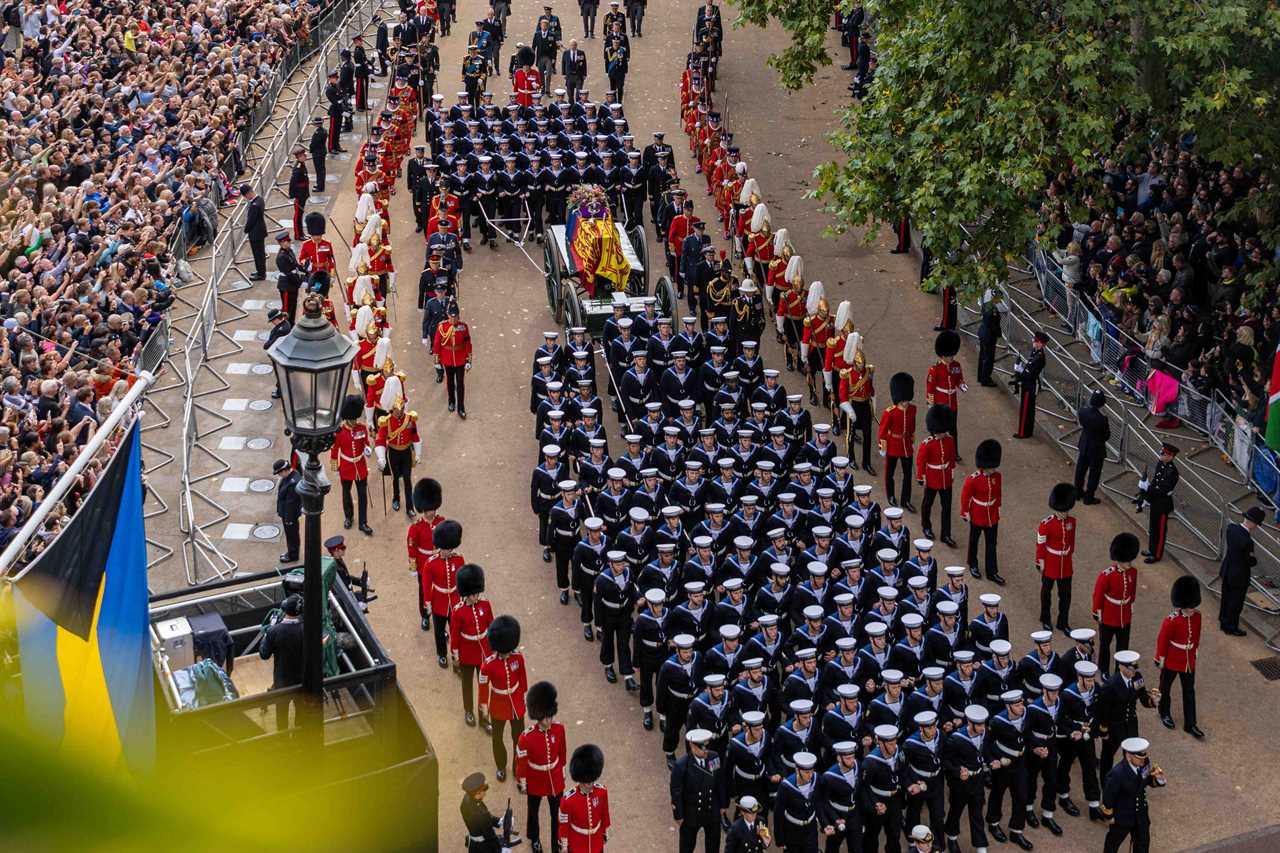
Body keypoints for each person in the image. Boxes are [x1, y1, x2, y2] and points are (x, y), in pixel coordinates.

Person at [516, 681, 567, 853]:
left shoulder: (559, 730)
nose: (549, 720)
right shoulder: (526, 737)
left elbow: (562, 753)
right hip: (535, 778)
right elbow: (521, 762)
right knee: (533, 811)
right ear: (538, 716)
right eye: (545, 717)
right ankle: (534, 837)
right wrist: (522, 781)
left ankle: (556, 845)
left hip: (554, 778)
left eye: (550, 716)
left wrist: (562, 771)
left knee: (557, 816)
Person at [1154, 576, 1203, 739]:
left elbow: (1196, 636)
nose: (1192, 610)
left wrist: (1194, 651)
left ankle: (1191, 724)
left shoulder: (1197, 617)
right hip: (1172, 659)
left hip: (1188, 660)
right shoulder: (1171, 621)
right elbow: (1163, 640)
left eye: (1193, 607)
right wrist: (1160, 658)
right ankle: (1164, 713)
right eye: (1189, 607)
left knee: (1189, 691)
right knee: (1165, 688)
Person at [1095, 650, 1157, 776]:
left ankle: (1132, 783)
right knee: (1108, 756)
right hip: (1114, 725)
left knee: (1134, 754)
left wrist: (1152, 701)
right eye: (1130, 669)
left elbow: (1143, 697)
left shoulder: (1137, 677)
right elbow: (1104, 710)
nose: (1133, 672)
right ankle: (1106, 782)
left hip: (1131, 723)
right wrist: (1104, 730)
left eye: (1134, 669)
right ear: (1121, 667)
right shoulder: (1111, 685)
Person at [480, 615, 528, 781]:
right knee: (497, 738)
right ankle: (501, 765)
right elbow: (483, 686)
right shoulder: (488, 664)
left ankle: (517, 766)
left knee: (519, 738)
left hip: (515, 702)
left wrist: (523, 698)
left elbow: (522, 680)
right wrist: (484, 705)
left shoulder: (517, 658)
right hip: (498, 704)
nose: (508, 654)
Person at [1100, 737, 1165, 853]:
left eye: (1144, 756)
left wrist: (1158, 779)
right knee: (1112, 844)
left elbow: (1146, 780)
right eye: (1139, 757)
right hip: (1122, 816)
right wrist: (1109, 816)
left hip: (1141, 814)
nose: (1143, 760)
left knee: (1142, 844)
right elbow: (1108, 796)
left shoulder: (1144, 763)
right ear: (1128, 755)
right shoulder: (1117, 773)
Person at [671, 728, 728, 853]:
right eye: (702, 748)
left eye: (706, 747)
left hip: (711, 809)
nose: (705, 751)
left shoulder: (714, 757)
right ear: (692, 745)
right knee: (687, 847)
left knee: (713, 846)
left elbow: (720, 780)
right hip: (691, 812)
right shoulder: (681, 765)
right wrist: (678, 815)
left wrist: (723, 803)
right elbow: (676, 793)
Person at [451, 563, 494, 728]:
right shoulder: (458, 611)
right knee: (467, 684)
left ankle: (484, 715)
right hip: (467, 653)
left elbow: (491, 626)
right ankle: (468, 711)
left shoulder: (485, 605)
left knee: (483, 685)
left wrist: (495, 649)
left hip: (484, 651)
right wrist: (455, 655)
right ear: (466, 593)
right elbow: (455, 636)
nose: (476, 596)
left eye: (477, 593)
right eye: (472, 594)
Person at [1092, 533, 1139, 674]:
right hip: (1108, 615)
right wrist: (1097, 611)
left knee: (1123, 647)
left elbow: (1132, 591)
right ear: (1119, 560)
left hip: (1124, 615)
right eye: (1127, 561)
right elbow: (1098, 594)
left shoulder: (1133, 572)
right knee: (1105, 645)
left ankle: (1119, 672)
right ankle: (1104, 670)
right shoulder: (1107, 575)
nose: (1129, 564)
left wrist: (1131, 604)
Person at [960, 438, 1005, 584]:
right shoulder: (973, 479)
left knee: (992, 543)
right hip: (977, 513)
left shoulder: (997, 477)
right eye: (991, 467)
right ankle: (972, 563)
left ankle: (992, 571)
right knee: (974, 540)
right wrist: (965, 512)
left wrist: (998, 508)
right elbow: (965, 497)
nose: (993, 469)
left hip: (991, 514)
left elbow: (998, 494)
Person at [259, 593, 305, 732]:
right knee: (301, 714)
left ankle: (283, 740)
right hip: (302, 680)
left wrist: (265, 636)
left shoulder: (274, 631)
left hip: (282, 681)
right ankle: (299, 739)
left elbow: (264, 654)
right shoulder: (307, 630)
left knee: (282, 715)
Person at [1036, 483, 1077, 633]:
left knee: (1065, 595)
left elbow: (1071, 541)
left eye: (1065, 511)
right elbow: (1040, 544)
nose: (1064, 514)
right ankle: (1045, 617)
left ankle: (1063, 621)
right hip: (1050, 562)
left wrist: (1069, 552)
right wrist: (1040, 561)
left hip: (1065, 564)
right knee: (1047, 592)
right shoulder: (1046, 524)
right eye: (1061, 511)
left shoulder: (1072, 522)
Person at [330, 395, 373, 535]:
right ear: (348, 417)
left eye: (355, 418)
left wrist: (367, 448)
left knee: (362, 496)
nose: (355, 421)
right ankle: (348, 517)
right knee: (346, 493)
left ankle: (363, 522)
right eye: (353, 419)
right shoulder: (340, 432)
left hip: (360, 466)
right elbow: (335, 449)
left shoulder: (362, 428)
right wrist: (335, 466)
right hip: (346, 466)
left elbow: (366, 442)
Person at [916, 404, 956, 547]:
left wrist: (951, 471)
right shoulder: (927, 444)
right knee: (928, 504)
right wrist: (921, 477)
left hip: (945, 478)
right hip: (932, 478)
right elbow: (921, 462)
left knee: (947, 507)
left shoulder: (949, 440)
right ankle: (926, 526)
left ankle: (946, 534)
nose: (943, 434)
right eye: (941, 432)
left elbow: (951, 458)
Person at [558, 744, 611, 853]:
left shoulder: (602, 792)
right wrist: (564, 844)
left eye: (591, 778)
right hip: (577, 845)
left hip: (596, 843)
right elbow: (564, 825)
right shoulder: (568, 800)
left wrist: (605, 832)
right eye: (586, 779)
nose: (589, 782)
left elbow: (604, 814)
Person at [1219, 506, 1262, 635]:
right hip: (1239, 576)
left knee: (1226, 598)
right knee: (1235, 603)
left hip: (1227, 570)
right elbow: (1250, 561)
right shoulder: (1247, 541)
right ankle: (1231, 627)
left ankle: (1223, 621)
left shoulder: (1231, 528)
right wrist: (1254, 559)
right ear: (1254, 524)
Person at [878, 371, 917, 511]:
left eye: (907, 400)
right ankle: (891, 496)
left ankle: (905, 500)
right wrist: (883, 447)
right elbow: (882, 431)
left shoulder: (913, 409)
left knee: (908, 475)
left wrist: (912, 439)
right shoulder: (890, 412)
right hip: (893, 445)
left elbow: (912, 425)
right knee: (890, 473)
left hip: (906, 445)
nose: (906, 403)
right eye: (903, 400)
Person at [1139, 443, 1179, 563]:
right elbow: (1156, 481)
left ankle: (1157, 555)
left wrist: (1147, 489)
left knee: (1160, 531)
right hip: (1156, 500)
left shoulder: (1172, 472)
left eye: (1164, 453)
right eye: (1162, 452)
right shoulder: (1161, 464)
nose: (1161, 454)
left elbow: (1163, 490)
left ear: (1171, 457)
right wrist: (1147, 494)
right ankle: (1152, 549)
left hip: (1163, 504)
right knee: (1153, 527)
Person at [435, 301, 473, 418]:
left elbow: (467, 343)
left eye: (455, 317)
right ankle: (451, 401)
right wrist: (437, 360)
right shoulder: (442, 326)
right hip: (447, 358)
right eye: (451, 317)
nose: (453, 319)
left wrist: (468, 360)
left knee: (460, 383)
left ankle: (461, 407)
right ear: (448, 315)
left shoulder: (463, 326)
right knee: (450, 382)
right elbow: (437, 344)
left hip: (460, 358)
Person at [1073, 391, 1109, 504]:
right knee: (1094, 474)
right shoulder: (1102, 419)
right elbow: (1106, 436)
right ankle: (1089, 497)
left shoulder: (1083, 411)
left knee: (1080, 470)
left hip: (1084, 444)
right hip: (1096, 449)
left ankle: (1078, 492)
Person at [1012, 331, 1046, 439]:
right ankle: (1028, 431)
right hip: (1028, 382)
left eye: (1036, 341)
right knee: (1028, 409)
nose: (1033, 342)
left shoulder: (1040, 357)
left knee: (1026, 409)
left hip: (1030, 384)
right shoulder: (1035, 352)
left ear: (1041, 344)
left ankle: (1023, 432)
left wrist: (1020, 371)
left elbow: (1031, 373)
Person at [460, 772, 503, 852]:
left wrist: (499, 821)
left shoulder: (467, 799)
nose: (485, 792)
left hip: (474, 845)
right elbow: (490, 836)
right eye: (484, 789)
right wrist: (500, 849)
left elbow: (485, 818)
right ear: (478, 793)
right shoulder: (481, 814)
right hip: (484, 847)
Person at [976, 289, 1005, 387]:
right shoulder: (993, 310)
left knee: (982, 355)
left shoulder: (986, 304)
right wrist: (999, 333)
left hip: (983, 333)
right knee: (988, 358)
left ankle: (981, 376)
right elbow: (993, 325)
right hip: (989, 336)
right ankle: (985, 379)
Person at [273, 459, 301, 563]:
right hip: (287, 512)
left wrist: (289, 519)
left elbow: (291, 503)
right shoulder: (291, 477)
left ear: (285, 470)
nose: (279, 475)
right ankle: (291, 552)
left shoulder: (292, 483)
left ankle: (293, 555)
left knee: (292, 535)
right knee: (290, 535)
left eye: (280, 472)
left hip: (290, 515)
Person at [275, 233, 303, 325]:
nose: (287, 243)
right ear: (281, 243)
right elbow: (288, 273)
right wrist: (299, 282)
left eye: (288, 241)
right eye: (285, 242)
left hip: (292, 284)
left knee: (293, 306)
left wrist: (305, 270)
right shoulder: (281, 257)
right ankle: (287, 326)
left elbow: (295, 264)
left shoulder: (289, 251)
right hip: (287, 286)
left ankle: (292, 323)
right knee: (287, 309)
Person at [242, 185, 267, 280]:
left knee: (258, 255)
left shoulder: (254, 205)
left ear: (249, 193)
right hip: (260, 231)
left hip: (256, 233)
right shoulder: (259, 199)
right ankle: (260, 271)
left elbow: (251, 221)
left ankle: (261, 274)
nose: (246, 198)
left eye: (245, 196)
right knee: (259, 253)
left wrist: (246, 229)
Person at [288, 147, 310, 240]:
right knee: (298, 215)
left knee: (300, 215)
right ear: (299, 157)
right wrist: (293, 195)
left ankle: (302, 233)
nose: (305, 156)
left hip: (303, 193)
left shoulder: (302, 164)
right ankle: (298, 235)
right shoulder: (298, 168)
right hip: (299, 195)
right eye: (303, 155)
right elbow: (293, 182)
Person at [309, 116, 328, 192]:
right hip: (321, 151)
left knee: (319, 170)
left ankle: (320, 186)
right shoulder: (324, 131)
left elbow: (314, 144)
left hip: (318, 153)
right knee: (321, 170)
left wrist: (311, 149)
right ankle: (319, 184)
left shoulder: (318, 133)